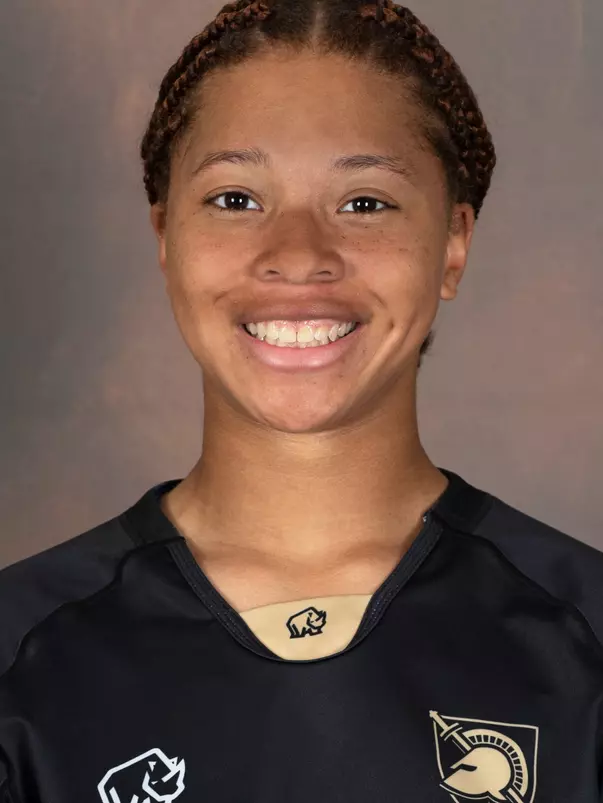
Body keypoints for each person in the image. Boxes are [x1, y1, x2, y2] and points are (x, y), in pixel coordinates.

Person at [1, 0, 602, 800]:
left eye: (363, 202)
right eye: (235, 199)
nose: (297, 255)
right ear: (163, 236)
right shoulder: (23, 653)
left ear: (453, 244)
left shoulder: (581, 639)